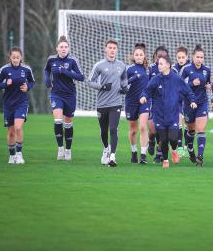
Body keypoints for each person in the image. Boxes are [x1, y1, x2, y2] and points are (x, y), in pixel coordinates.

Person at [140, 55, 197, 168]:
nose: (159, 66)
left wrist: (192, 100)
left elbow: (188, 91)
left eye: (161, 64)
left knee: (173, 139)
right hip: (159, 115)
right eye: (158, 64)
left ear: (168, 65)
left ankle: (174, 150)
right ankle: (165, 160)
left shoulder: (176, 79)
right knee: (164, 140)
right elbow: (147, 90)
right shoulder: (155, 79)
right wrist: (143, 96)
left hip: (173, 115)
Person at [88, 39, 127, 167]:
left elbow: (124, 80)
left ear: (117, 50)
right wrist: (102, 87)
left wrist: (124, 88)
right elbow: (90, 81)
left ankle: (112, 157)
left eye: (114, 48)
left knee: (113, 129)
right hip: (102, 103)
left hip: (116, 103)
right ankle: (106, 149)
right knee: (104, 130)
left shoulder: (121, 65)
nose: (112, 50)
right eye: (109, 47)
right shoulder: (99, 65)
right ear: (105, 49)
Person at [44, 36, 85, 161]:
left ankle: (68, 150)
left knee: (68, 124)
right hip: (56, 94)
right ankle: (60, 148)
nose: (63, 49)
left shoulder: (73, 60)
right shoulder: (51, 59)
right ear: (57, 48)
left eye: (66, 47)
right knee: (57, 120)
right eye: (61, 47)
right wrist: (47, 79)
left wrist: (65, 71)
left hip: (70, 95)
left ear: (68, 48)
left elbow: (81, 77)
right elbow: (46, 70)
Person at [0, 47, 35, 164]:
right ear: (10, 57)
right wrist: (5, 84)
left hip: (22, 102)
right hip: (8, 104)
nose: (16, 59)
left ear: (21, 57)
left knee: (18, 127)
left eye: (17, 57)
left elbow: (32, 82)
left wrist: (28, 87)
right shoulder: (4, 70)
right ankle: (11, 156)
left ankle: (19, 155)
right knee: (11, 132)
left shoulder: (26, 69)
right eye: (13, 57)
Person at [180, 44, 212, 166]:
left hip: (202, 102)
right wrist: (192, 83)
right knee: (191, 130)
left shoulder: (207, 70)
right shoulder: (186, 69)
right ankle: (190, 149)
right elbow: (180, 87)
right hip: (189, 104)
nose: (199, 59)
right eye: (197, 57)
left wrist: (209, 86)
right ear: (193, 57)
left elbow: (208, 83)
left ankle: (200, 157)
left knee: (201, 129)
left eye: (201, 57)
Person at [125, 43, 150, 164]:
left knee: (143, 127)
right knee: (133, 130)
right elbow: (123, 84)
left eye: (141, 54)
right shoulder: (129, 69)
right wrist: (134, 78)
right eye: (137, 55)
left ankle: (143, 155)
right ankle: (134, 151)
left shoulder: (148, 69)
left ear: (144, 56)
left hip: (144, 102)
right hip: (131, 102)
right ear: (133, 56)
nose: (139, 56)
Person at [147, 45, 169, 163]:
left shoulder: (172, 70)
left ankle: (159, 153)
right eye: (158, 56)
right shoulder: (150, 69)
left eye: (163, 56)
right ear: (155, 56)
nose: (160, 58)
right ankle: (151, 141)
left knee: (163, 130)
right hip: (152, 103)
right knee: (153, 130)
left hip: (166, 104)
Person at [172, 46, 191, 157]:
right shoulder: (173, 68)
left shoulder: (190, 68)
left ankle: (188, 147)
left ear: (187, 57)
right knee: (179, 123)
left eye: (183, 57)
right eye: (179, 57)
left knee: (188, 126)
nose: (181, 59)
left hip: (188, 99)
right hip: (177, 99)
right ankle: (179, 147)